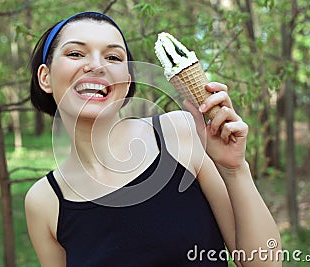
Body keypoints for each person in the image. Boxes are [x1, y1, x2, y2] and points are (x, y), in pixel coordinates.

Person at [25, 11, 281, 267]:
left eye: (113, 57)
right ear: (45, 77)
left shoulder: (179, 133)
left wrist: (234, 170)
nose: (96, 66)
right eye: (75, 54)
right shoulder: (44, 201)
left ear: (126, 80)